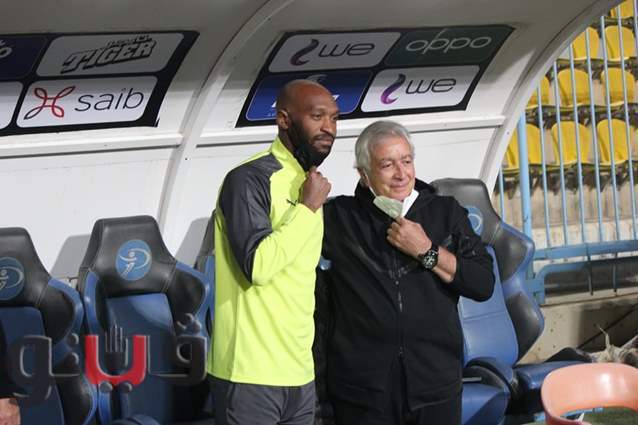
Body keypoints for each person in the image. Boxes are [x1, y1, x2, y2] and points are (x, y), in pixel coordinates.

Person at [316, 120, 495, 425]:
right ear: (364, 174)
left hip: (436, 389)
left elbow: (482, 284)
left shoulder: (445, 211)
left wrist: (427, 251)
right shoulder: (338, 218)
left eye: (407, 161)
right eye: (387, 165)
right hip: (362, 395)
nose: (401, 174)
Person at [210, 79, 339, 425]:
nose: (329, 127)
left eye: (334, 118)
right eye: (317, 116)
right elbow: (257, 265)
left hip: (300, 372)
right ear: (284, 119)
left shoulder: (310, 182)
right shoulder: (248, 179)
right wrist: (306, 209)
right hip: (249, 373)